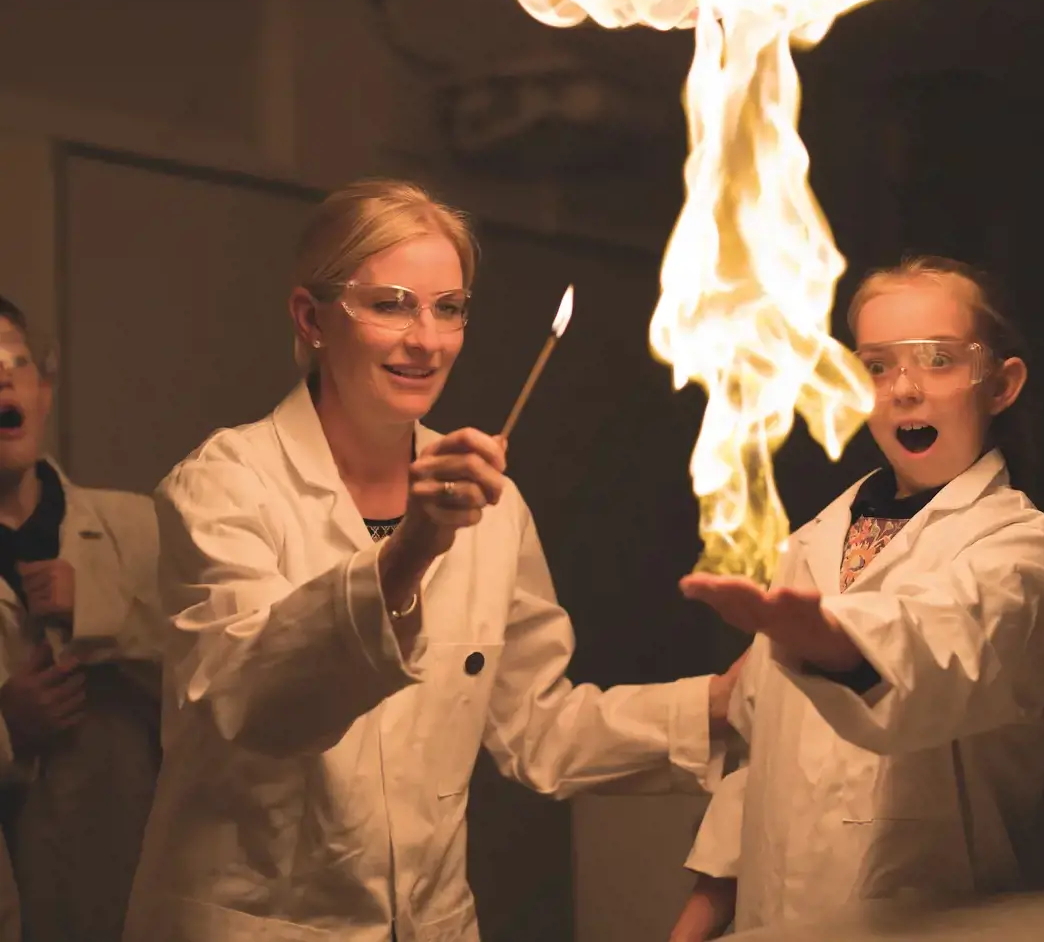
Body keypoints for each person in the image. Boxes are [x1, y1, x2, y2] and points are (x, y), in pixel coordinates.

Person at [122, 179, 741, 942]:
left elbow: (537, 730)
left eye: (449, 307)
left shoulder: (493, 507)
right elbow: (258, 703)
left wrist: (716, 703)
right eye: (390, 304)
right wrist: (411, 549)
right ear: (311, 318)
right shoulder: (223, 489)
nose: (428, 339)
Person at [668, 256, 1044, 939]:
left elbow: (945, 652)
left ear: (1001, 385)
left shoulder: (1023, 556)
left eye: (939, 361)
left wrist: (836, 643)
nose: (905, 390)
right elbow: (762, 769)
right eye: (878, 366)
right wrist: (696, 922)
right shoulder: (809, 546)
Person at [0, 294, 164, 942]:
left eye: (16, 361)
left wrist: (102, 614)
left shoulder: (141, 529)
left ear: (44, 389)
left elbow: (222, 679)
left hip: (128, 895)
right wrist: (7, 728)